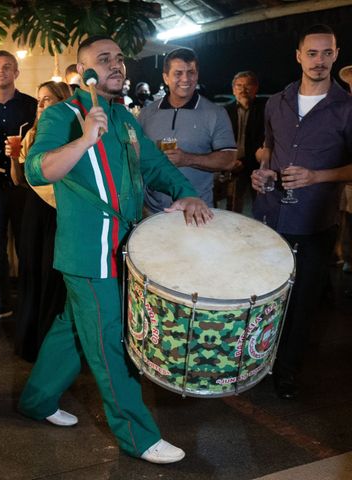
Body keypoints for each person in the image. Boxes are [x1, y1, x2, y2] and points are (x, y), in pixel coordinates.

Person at [19, 35, 212, 464]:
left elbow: (153, 164)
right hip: (88, 253)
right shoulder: (63, 114)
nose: (116, 66)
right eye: (103, 60)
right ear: (83, 71)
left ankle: (36, 400)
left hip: (123, 247)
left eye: (120, 58)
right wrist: (84, 139)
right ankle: (138, 436)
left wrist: (185, 193)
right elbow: (37, 167)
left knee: (73, 327)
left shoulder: (124, 117)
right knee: (108, 342)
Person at [251, 24, 352, 399]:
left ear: (336, 55)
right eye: (312, 53)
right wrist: (260, 173)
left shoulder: (346, 108)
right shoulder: (276, 101)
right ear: (298, 56)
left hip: (315, 221)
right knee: (264, 296)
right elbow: (268, 148)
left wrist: (316, 176)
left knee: (302, 301)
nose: (320, 61)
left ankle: (287, 371)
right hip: (270, 215)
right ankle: (255, 360)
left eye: (327, 53)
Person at [6, 80, 71, 362]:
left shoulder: (72, 133)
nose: (42, 106)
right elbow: (19, 180)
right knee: (30, 272)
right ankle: (29, 341)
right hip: (34, 208)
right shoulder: (31, 134)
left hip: (61, 210)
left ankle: (51, 345)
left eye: (49, 100)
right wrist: (12, 159)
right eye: (40, 101)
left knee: (52, 275)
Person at [138, 48, 237, 213]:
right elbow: (136, 154)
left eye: (191, 72)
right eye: (178, 73)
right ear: (165, 78)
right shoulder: (147, 113)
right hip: (152, 211)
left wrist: (187, 159)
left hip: (196, 210)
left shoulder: (216, 113)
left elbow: (229, 160)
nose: (186, 79)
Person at [0, 50, 37, 322]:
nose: (2, 72)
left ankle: (28, 300)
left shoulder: (31, 106)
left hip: (23, 186)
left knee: (26, 244)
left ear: (16, 73)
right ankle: (0, 301)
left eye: (7, 67)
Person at [224, 71, 266, 213]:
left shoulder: (266, 110)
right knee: (233, 205)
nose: (243, 90)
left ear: (256, 88)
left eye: (248, 86)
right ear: (233, 89)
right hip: (235, 165)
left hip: (257, 164)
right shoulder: (225, 111)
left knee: (260, 205)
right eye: (239, 86)